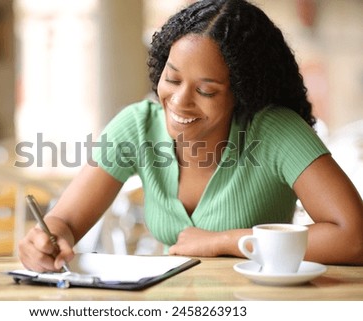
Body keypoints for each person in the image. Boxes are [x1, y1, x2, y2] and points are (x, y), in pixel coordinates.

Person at [19, 0, 363, 272]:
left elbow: (354, 237)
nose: (180, 101)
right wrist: (45, 239)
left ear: (240, 93)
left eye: (206, 90)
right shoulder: (137, 126)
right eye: (172, 78)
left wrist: (224, 241)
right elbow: (65, 221)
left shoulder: (276, 130)